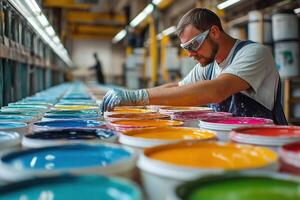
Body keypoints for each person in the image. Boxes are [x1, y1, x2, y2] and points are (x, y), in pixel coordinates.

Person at [101, 8, 287, 125]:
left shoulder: (254, 53)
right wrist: (135, 95)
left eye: (193, 45)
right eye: (185, 48)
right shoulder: (209, 65)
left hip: (267, 141)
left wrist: (138, 97)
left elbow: (217, 90)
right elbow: (179, 88)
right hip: (236, 139)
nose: (190, 54)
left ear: (214, 32)